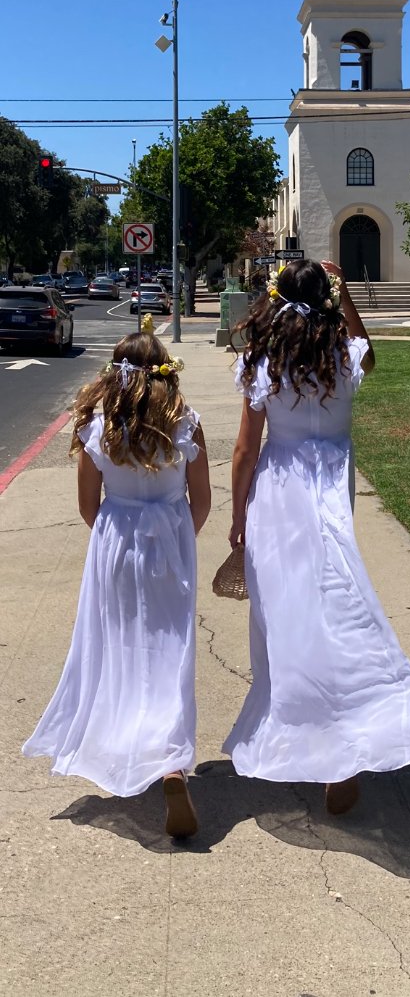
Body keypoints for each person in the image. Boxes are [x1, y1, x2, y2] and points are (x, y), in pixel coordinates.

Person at [224, 259, 410, 814]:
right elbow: (369, 352)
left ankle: (307, 732)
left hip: (280, 487)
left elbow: (245, 449)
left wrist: (237, 517)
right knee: (333, 606)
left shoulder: (264, 360)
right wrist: (346, 295)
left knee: (286, 615)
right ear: (328, 301)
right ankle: (342, 742)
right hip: (332, 483)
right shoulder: (341, 355)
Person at [22, 333, 211, 839]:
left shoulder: (97, 427)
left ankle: (132, 743)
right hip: (171, 540)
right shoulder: (186, 422)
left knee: (121, 647)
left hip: (117, 542)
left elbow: (89, 505)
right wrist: (178, 539)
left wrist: (116, 537)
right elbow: (201, 501)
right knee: (171, 650)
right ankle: (171, 763)